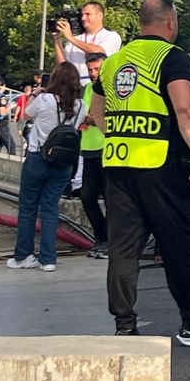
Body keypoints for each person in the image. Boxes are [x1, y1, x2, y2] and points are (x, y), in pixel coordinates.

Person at [91, 0, 190, 345]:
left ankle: (124, 325)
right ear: (170, 22)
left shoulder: (113, 62)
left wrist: (122, 133)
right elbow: (185, 108)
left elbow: (95, 113)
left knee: (123, 248)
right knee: (179, 245)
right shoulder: (172, 57)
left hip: (119, 163)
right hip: (161, 166)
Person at [7, 61, 84, 273]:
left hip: (38, 159)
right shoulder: (81, 105)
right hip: (64, 164)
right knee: (50, 209)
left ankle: (24, 255)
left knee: (28, 208)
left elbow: (25, 115)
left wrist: (36, 93)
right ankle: (48, 259)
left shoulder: (45, 99)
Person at [79, 53, 110, 259]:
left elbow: (95, 115)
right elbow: (84, 113)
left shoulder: (111, 88)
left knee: (110, 198)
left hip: (106, 148)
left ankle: (110, 241)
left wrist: (90, 117)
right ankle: (102, 237)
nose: (93, 74)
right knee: (87, 196)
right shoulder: (88, 88)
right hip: (88, 147)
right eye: (90, 70)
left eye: (97, 69)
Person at [53, 1, 122, 85]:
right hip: (76, 88)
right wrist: (57, 39)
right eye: (82, 15)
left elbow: (99, 52)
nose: (83, 18)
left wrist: (70, 37)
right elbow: (63, 66)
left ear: (100, 16)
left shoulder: (111, 36)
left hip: (99, 87)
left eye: (88, 14)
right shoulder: (75, 39)